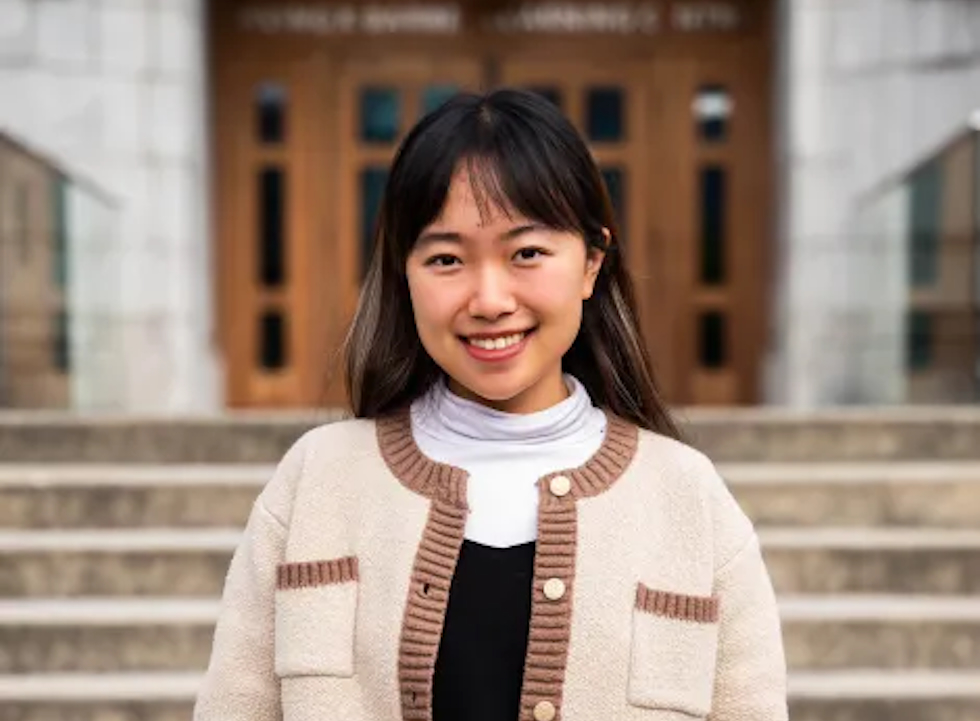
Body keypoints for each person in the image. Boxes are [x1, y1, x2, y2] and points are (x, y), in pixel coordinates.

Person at [194, 88, 787, 721]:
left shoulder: (688, 501)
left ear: (591, 263)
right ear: (405, 276)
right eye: (446, 259)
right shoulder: (316, 483)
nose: (489, 299)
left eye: (526, 252)